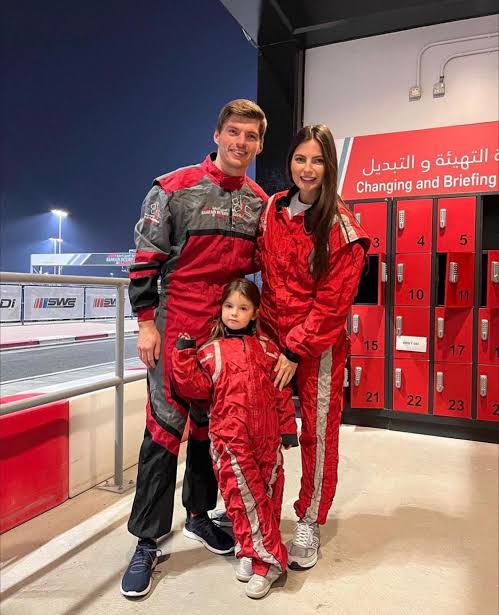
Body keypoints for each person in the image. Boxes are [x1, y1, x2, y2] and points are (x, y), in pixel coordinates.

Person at [121, 100, 268, 597]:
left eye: (251, 136)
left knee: (211, 426)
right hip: (175, 321)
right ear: (217, 134)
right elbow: (145, 260)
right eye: (234, 132)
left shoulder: (258, 202)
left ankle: (199, 515)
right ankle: (146, 541)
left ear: (259, 144)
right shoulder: (173, 188)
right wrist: (146, 324)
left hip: (226, 330)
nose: (240, 142)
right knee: (165, 428)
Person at [257, 124, 370, 571]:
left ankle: (309, 518)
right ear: (290, 161)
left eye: (318, 160)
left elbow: (332, 304)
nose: (307, 169)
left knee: (318, 435)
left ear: (330, 167)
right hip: (270, 337)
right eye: (300, 159)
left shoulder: (341, 227)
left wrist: (295, 349)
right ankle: (262, 507)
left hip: (316, 347)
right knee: (264, 426)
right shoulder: (273, 209)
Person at [171, 278, 298, 599]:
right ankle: (267, 563)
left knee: (268, 495)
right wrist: (183, 356)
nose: (234, 313)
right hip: (230, 439)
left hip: (267, 438)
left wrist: (287, 429)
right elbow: (196, 389)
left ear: (255, 313)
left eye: (242, 308)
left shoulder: (269, 350)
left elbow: (281, 391)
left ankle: (248, 549)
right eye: (229, 306)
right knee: (241, 497)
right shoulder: (209, 352)